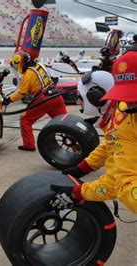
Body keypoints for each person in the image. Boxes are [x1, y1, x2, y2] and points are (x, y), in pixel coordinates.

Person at [51, 50, 137, 214]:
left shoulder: (125, 116)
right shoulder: (123, 114)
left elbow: (119, 183)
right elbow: (112, 144)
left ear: (95, 96)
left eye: (80, 97)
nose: (127, 102)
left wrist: (80, 192)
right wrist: (85, 167)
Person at [2, 50, 67, 151]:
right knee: (65, 125)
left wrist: (8, 100)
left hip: (44, 98)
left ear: (19, 63)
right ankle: (76, 145)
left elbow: (21, 93)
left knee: (25, 120)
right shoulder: (39, 65)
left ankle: (29, 145)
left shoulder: (28, 74)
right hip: (56, 95)